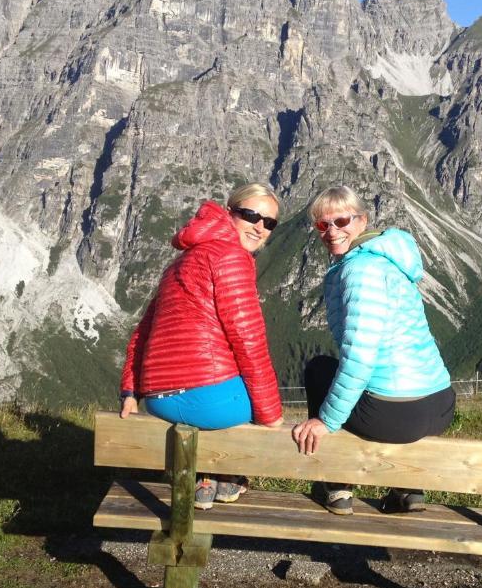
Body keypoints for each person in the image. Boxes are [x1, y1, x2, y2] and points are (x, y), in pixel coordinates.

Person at [291, 185, 456, 515]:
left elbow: (360, 357)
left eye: (341, 221)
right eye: (322, 225)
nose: (332, 231)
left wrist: (326, 421)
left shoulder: (359, 270)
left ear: (362, 220)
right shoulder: (388, 260)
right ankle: (408, 491)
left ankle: (338, 486)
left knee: (320, 369)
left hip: (396, 416)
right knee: (358, 379)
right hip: (440, 405)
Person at [119, 183, 284, 509]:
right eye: (251, 215)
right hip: (210, 402)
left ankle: (206, 478)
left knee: (224, 393)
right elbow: (248, 339)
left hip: (159, 401)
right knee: (250, 399)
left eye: (269, 222)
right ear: (229, 213)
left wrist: (129, 392)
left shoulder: (180, 262)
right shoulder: (232, 257)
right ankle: (228, 476)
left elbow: (141, 334)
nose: (259, 227)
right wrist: (271, 415)